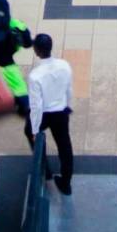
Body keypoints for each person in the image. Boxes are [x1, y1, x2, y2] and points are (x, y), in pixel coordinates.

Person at [28, 33, 75, 194]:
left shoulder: (35, 76)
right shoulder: (64, 65)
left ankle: (45, 169)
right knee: (64, 145)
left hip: (45, 114)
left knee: (32, 134)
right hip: (61, 111)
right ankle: (66, 183)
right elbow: (69, 88)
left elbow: (36, 106)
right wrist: (68, 105)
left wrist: (35, 130)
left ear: (37, 51)